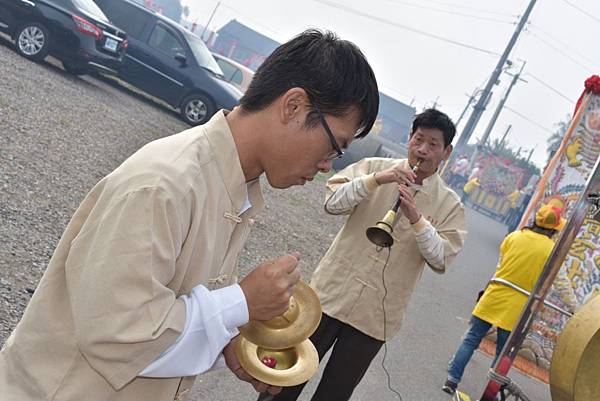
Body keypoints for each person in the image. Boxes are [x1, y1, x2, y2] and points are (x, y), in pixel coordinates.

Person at [0, 30, 379, 401]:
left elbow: (175, 302)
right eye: (335, 146)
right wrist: (241, 302)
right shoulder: (166, 182)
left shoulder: (235, 185)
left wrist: (226, 346)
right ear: (293, 106)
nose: (328, 167)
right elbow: (115, 334)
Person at [265, 109, 467, 401]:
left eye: (433, 144)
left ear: (446, 152)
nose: (422, 149)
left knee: (335, 392)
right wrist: (378, 179)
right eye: (418, 140)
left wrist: (417, 219)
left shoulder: (450, 206)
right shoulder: (375, 166)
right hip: (328, 297)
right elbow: (332, 202)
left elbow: (441, 259)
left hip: (376, 316)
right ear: (410, 139)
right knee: (286, 376)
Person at [442, 203, 579, 395]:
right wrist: (576, 309)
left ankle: (451, 380)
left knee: (471, 339)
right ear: (554, 229)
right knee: (503, 354)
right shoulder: (551, 251)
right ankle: (490, 394)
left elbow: (501, 266)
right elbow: (561, 283)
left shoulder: (514, 237)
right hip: (518, 307)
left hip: (495, 294)